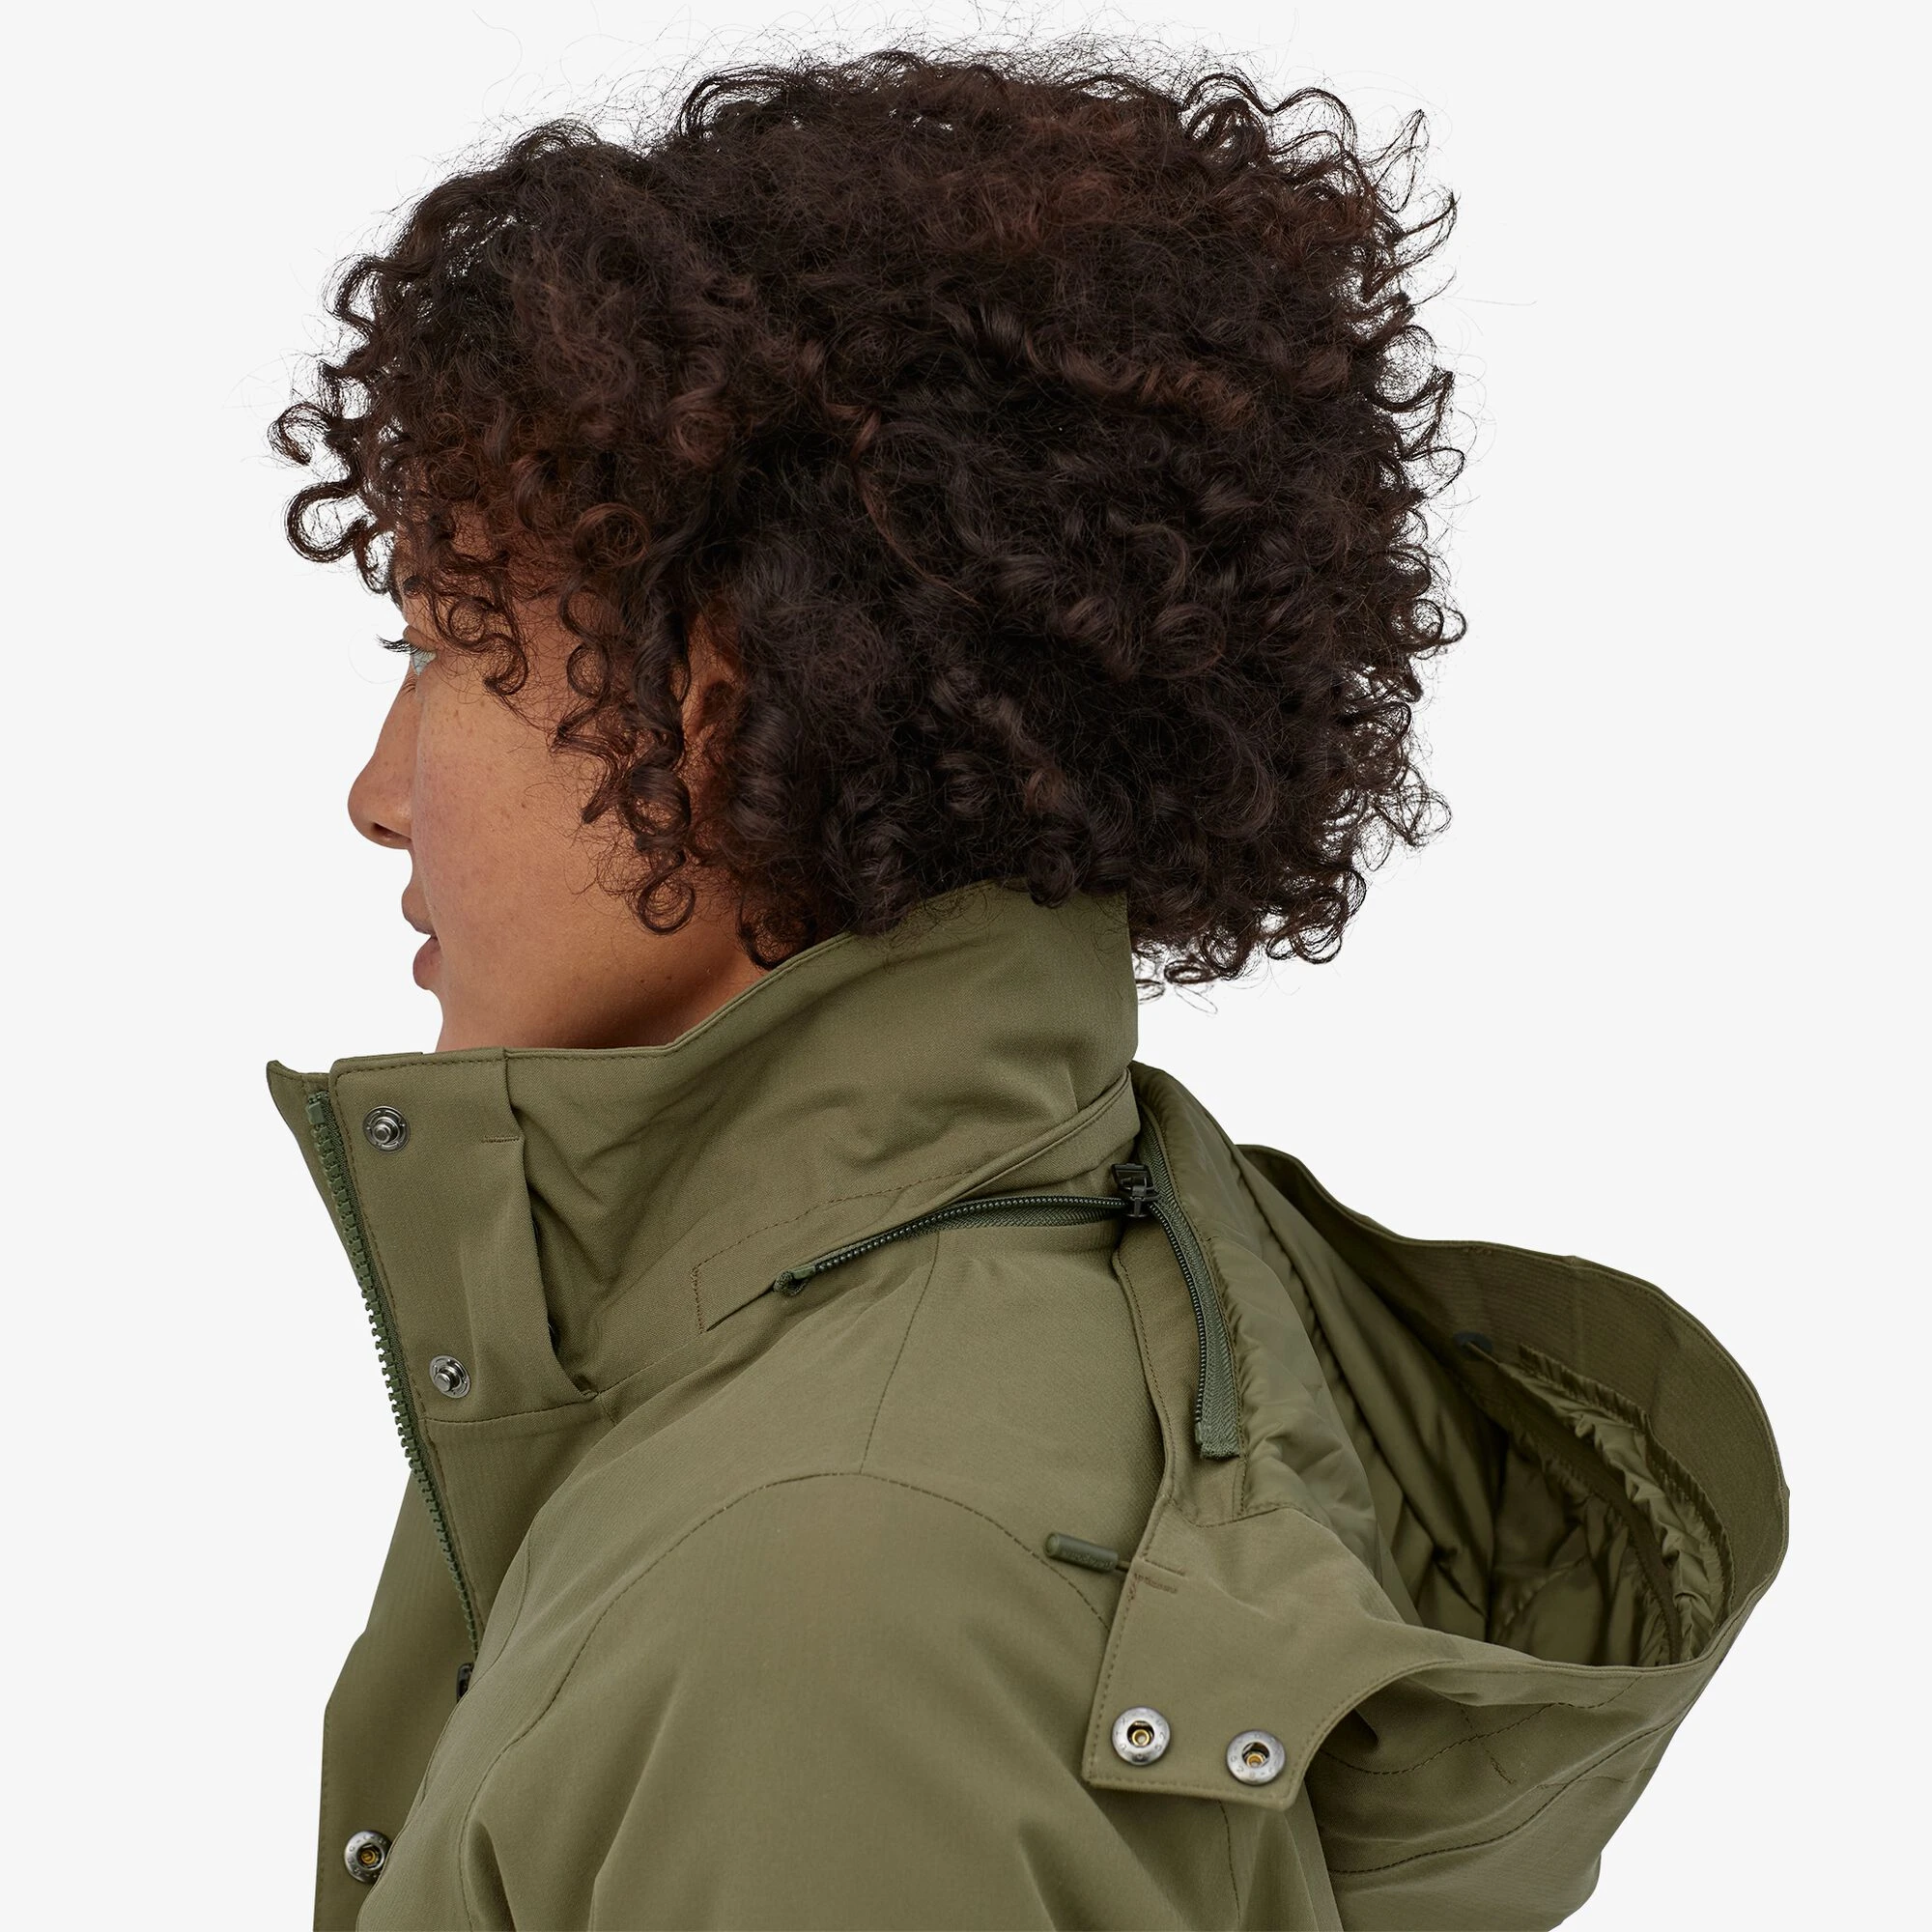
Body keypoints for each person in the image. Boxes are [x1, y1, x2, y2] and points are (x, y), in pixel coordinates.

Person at [266, 44, 1786, 1931]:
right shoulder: (927, 1331)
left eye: (444, 647)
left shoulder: (830, 1586)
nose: (377, 789)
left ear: (722, 684)